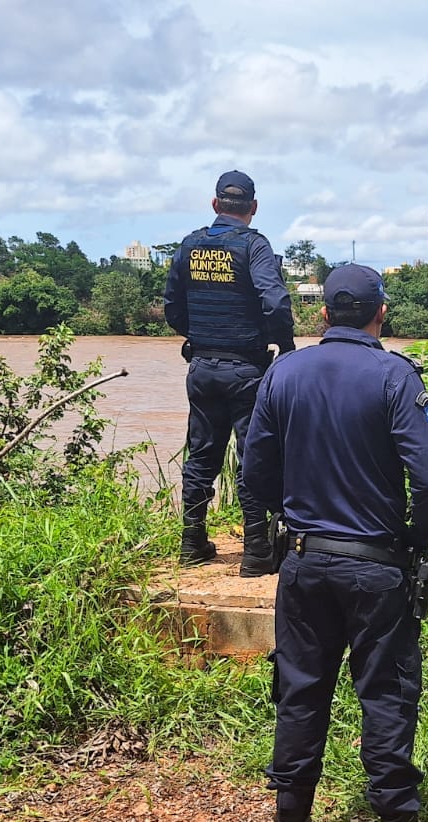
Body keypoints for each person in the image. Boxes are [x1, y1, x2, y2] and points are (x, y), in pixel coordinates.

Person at [242, 264, 428, 822]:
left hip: (305, 563)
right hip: (377, 567)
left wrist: (294, 521)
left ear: (324, 314)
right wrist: (413, 543)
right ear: (380, 314)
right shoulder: (394, 376)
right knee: (385, 695)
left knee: (301, 691)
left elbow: (254, 473)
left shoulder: (284, 374)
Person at [163, 170, 295, 576]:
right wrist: (285, 346)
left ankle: (192, 542)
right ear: (252, 209)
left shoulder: (189, 246)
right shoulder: (253, 246)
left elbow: (172, 307)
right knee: (251, 454)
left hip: (201, 367)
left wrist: (200, 335)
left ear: (215, 204)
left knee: (201, 452)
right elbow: (274, 302)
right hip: (246, 369)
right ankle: (255, 551)